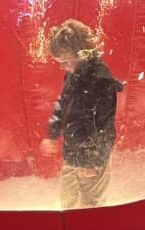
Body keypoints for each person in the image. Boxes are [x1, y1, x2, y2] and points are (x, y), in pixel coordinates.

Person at [40, 19, 124, 210]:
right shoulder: (73, 72)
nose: (63, 67)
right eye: (60, 63)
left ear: (80, 52)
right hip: (73, 152)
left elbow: (104, 126)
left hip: (93, 157)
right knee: (68, 201)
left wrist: (93, 161)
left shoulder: (101, 79)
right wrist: (53, 134)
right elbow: (62, 103)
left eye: (65, 61)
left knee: (90, 205)